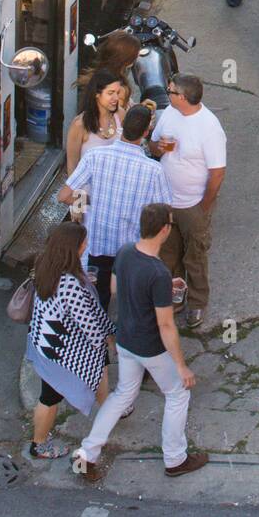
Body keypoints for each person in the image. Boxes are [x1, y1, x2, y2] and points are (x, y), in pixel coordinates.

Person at [75, 203, 208, 483]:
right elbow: (166, 325)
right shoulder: (157, 272)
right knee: (177, 394)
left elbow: (114, 289)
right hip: (150, 346)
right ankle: (175, 459)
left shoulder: (125, 252)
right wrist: (182, 367)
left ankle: (87, 453)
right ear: (164, 230)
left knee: (123, 393)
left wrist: (157, 289)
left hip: (125, 339)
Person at [58, 102, 171, 312]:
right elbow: (163, 212)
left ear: (123, 126)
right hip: (131, 252)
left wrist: (91, 203)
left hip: (98, 246)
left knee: (97, 303)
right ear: (146, 132)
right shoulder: (154, 171)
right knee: (130, 305)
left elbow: (64, 195)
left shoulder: (95, 157)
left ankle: (100, 338)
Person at [27, 221, 113, 459]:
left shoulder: (45, 265)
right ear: (73, 248)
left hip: (44, 341)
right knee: (50, 397)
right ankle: (39, 444)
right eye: (83, 242)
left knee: (100, 366)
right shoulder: (69, 284)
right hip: (61, 352)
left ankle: (110, 408)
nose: (87, 245)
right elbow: (88, 325)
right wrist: (106, 339)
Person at [149, 75, 227, 331]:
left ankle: (197, 301)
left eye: (169, 91)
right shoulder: (170, 114)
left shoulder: (209, 128)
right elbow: (154, 146)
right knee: (169, 254)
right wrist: (158, 148)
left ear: (181, 97)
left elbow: (217, 173)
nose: (166, 93)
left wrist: (203, 207)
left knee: (195, 255)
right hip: (167, 201)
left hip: (193, 205)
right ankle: (176, 295)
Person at [65, 69, 124, 175]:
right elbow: (72, 165)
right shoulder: (79, 124)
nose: (116, 98)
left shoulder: (120, 115)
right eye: (110, 93)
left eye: (117, 92)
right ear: (97, 94)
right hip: (87, 189)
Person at [78, 30, 140, 111]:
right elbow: (120, 119)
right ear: (126, 58)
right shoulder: (118, 89)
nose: (138, 55)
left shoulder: (98, 75)